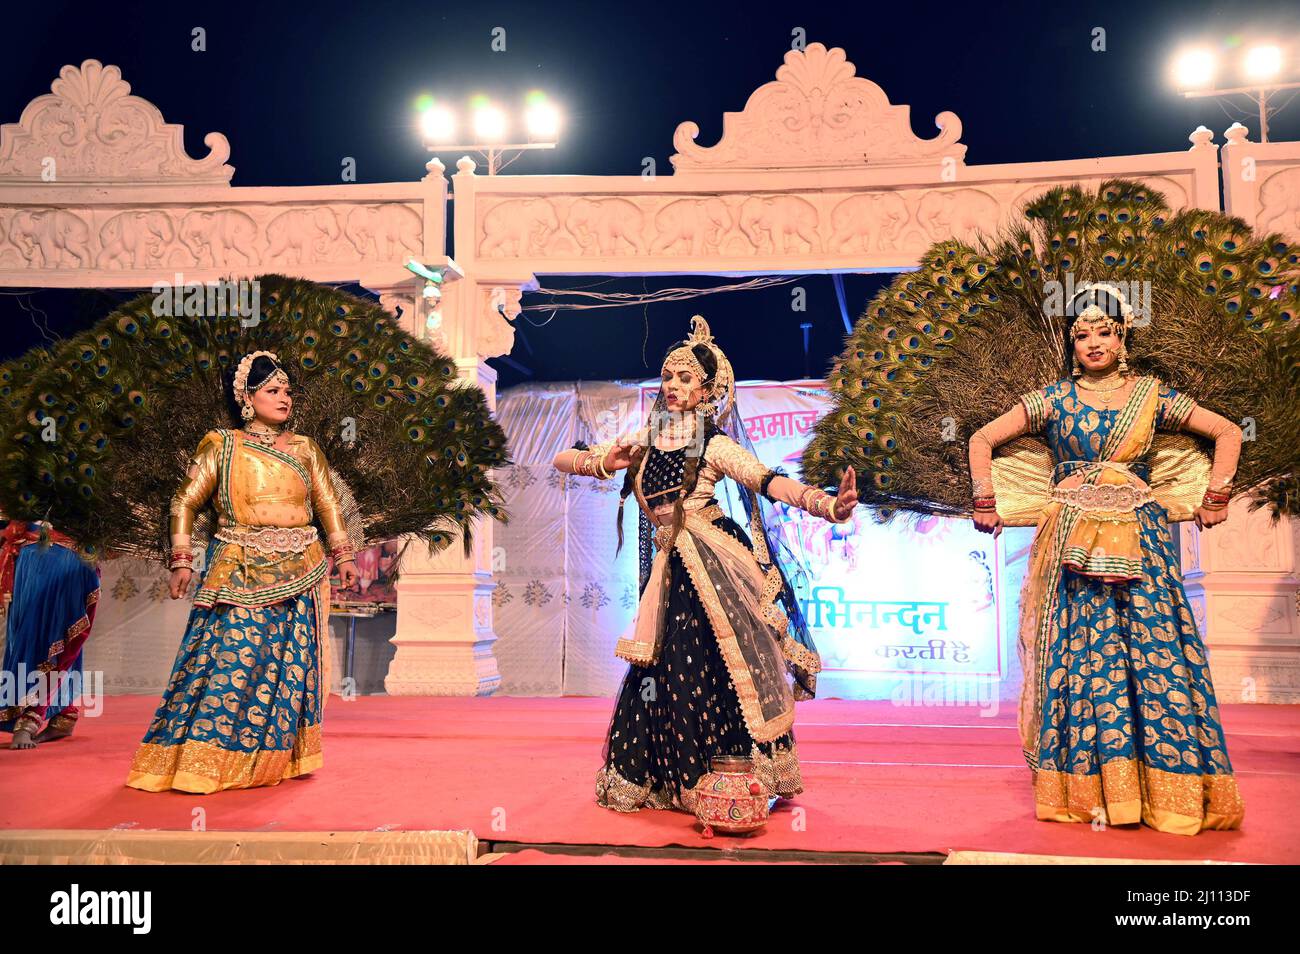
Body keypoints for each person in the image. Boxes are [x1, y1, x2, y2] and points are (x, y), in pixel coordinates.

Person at [968, 283, 1245, 834]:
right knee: (1082, 655)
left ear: (1123, 338)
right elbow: (980, 438)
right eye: (1081, 335)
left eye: (1104, 332)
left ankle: (1170, 795)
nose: (1092, 343)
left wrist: (1216, 496)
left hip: (1142, 541)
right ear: (1071, 344)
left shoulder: (1153, 395)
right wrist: (984, 499)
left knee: (1156, 651)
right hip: (1072, 541)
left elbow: (1228, 431)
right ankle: (1093, 795)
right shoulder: (1050, 400)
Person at [553, 316, 857, 813]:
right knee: (660, 670)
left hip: (713, 564)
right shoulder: (644, 440)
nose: (673, 386)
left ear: (706, 390)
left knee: (709, 665)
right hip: (670, 572)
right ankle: (672, 780)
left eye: (686, 378)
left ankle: (725, 777)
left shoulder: (715, 444)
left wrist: (827, 506)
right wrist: (607, 458)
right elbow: (562, 461)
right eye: (669, 376)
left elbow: (767, 481)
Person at [125, 351, 358, 793]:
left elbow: (327, 503)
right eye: (273, 391)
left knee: (285, 669)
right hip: (239, 565)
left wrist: (343, 554)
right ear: (247, 399)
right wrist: (181, 559)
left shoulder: (306, 449)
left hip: (302, 567)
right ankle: (201, 762)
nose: (284, 398)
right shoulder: (222, 444)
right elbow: (185, 501)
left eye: (288, 391)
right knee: (230, 661)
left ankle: (272, 761)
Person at [0, 518, 99, 749]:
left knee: (50, 636)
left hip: (67, 550)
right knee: (24, 635)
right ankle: (63, 714)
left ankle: (29, 719)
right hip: (28, 551)